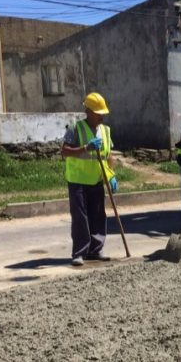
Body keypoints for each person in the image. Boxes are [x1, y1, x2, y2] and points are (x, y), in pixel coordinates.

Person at [60, 92, 118, 267]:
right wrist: (85, 148)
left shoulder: (105, 131)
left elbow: (109, 156)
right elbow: (64, 152)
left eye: (103, 113)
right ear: (88, 111)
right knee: (80, 217)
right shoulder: (75, 129)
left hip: (97, 181)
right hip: (78, 181)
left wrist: (111, 175)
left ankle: (96, 250)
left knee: (98, 216)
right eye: (98, 113)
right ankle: (79, 253)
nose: (101, 116)